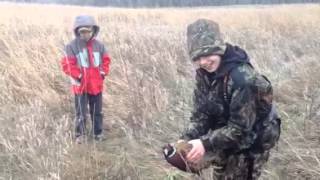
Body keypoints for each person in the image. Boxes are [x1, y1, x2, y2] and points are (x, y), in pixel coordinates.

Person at [179, 19, 281, 179]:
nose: (203, 62)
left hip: (252, 141)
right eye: (197, 58)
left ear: (219, 48)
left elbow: (240, 130)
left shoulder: (243, 79)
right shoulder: (204, 75)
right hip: (225, 134)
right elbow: (201, 114)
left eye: (207, 54)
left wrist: (204, 143)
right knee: (221, 174)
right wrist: (187, 139)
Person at [61, 15, 111, 144]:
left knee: (97, 112)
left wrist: (103, 72)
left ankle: (98, 133)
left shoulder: (99, 45)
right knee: (81, 113)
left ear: (93, 30)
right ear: (77, 31)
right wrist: (79, 76)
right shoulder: (71, 46)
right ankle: (80, 135)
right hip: (80, 86)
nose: (85, 34)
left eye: (88, 31)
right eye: (82, 31)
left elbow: (106, 60)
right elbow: (67, 65)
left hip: (96, 85)